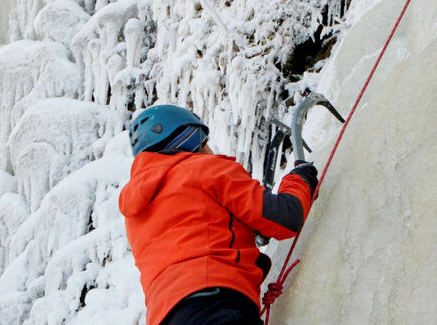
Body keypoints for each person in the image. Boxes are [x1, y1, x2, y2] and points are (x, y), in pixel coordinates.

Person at [119, 104, 320, 325]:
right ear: (187, 143)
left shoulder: (135, 212)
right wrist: (300, 178)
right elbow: (287, 217)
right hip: (216, 303)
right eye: (203, 140)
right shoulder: (204, 169)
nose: (210, 150)